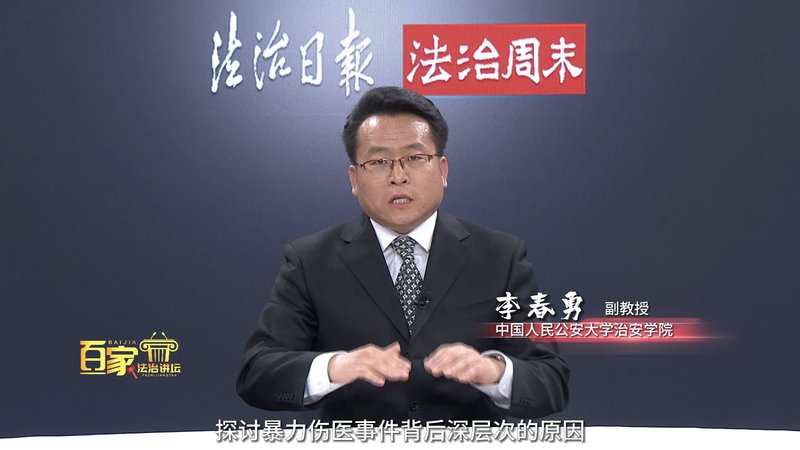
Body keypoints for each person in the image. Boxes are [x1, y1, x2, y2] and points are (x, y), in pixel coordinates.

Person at [237, 86, 569, 422]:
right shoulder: (310, 261)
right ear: (354, 179)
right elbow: (257, 373)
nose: (398, 177)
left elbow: (551, 380)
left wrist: (493, 371)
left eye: (415, 158)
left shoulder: (500, 257)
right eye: (379, 162)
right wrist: (336, 367)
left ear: (442, 170)